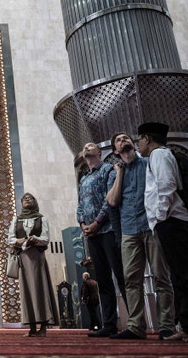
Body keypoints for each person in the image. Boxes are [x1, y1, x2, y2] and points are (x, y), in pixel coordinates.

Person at [138, 122, 188, 343]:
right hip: (172, 222)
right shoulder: (160, 155)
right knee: (180, 277)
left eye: (139, 139)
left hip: (175, 222)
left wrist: (161, 215)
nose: (138, 144)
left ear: (147, 138)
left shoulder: (159, 155)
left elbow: (166, 185)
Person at [106, 132, 175, 340]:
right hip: (129, 230)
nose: (123, 140)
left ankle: (166, 326)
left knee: (161, 277)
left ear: (133, 143)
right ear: (116, 151)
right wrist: (119, 173)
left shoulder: (148, 163)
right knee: (131, 280)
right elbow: (112, 201)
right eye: (118, 140)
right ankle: (136, 327)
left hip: (152, 226)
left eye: (126, 137)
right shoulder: (115, 172)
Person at [76, 142, 126, 338]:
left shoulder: (108, 170)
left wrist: (97, 222)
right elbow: (80, 204)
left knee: (120, 276)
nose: (87, 147)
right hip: (91, 234)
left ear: (99, 152)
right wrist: (82, 224)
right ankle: (110, 325)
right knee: (103, 280)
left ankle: (135, 323)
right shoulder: (83, 178)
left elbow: (110, 200)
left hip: (108, 230)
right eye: (85, 146)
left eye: (91, 146)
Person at [8, 192, 59, 337]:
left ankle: (42, 328)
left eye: (30, 199)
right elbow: (10, 238)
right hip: (23, 259)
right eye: (24, 199)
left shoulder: (41, 218)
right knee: (27, 292)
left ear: (35, 202)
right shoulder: (16, 219)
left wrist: (34, 239)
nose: (27, 200)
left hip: (37, 258)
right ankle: (31, 328)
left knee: (40, 289)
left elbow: (45, 238)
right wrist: (22, 240)